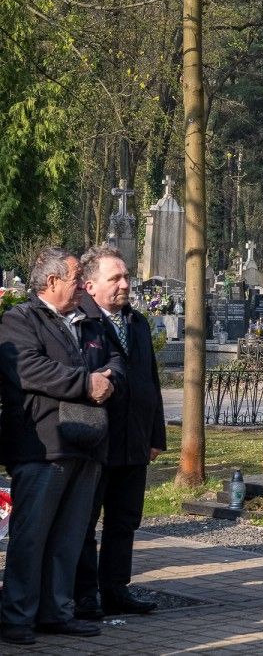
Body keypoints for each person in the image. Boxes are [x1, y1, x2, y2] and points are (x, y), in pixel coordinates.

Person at [0, 247, 123, 645]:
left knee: (70, 536)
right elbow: (30, 369)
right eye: (74, 278)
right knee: (31, 536)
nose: (80, 285)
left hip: (87, 443)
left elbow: (117, 361)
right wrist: (87, 383)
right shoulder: (18, 321)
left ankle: (57, 611)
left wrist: (109, 380)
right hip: (42, 446)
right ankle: (17, 616)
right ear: (51, 282)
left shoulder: (89, 321)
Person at [73, 246, 165, 619]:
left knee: (125, 520)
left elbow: (151, 382)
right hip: (96, 440)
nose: (124, 284)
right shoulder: (82, 322)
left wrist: (156, 434)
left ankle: (115, 588)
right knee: (85, 520)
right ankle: (83, 593)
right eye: (115, 278)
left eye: (126, 277)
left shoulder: (138, 323)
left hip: (134, 440)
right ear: (91, 285)